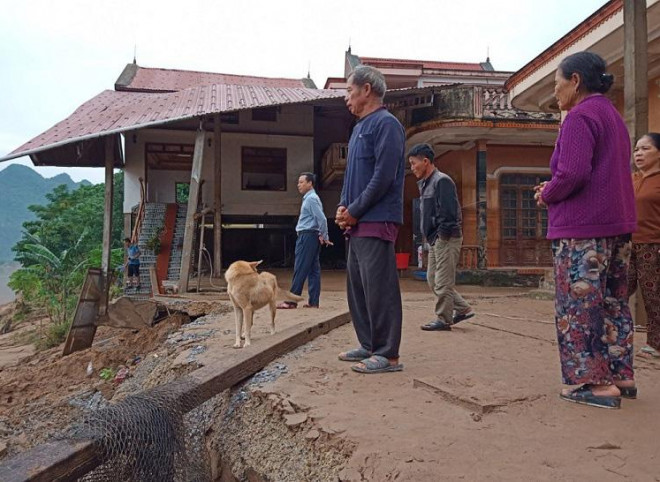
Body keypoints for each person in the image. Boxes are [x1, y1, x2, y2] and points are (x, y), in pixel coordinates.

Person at [534, 51, 636, 409]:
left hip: (582, 230)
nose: (556, 91)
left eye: (558, 83)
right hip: (616, 225)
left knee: (579, 305)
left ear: (575, 80)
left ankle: (591, 381)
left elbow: (574, 173)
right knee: (613, 302)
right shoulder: (613, 117)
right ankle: (621, 374)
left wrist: (548, 192)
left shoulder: (579, 116)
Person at [335, 65, 405, 374]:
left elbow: (383, 178)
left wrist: (355, 210)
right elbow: (353, 177)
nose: (347, 99)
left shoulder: (386, 125)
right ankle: (368, 344)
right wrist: (342, 207)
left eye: (350, 91)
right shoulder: (358, 128)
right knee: (358, 287)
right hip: (357, 221)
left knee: (379, 288)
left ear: (367, 89)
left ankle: (388, 353)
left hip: (376, 219)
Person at [408, 143, 475, 331]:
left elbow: (449, 213)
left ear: (426, 161)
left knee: (443, 282)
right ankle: (463, 308)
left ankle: (444, 319)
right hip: (435, 239)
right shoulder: (426, 183)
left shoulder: (441, 181)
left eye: (414, 163)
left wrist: (442, 237)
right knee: (432, 279)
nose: (412, 168)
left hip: (446, 238)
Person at [278, 172, 332, 310]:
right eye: (298, 182)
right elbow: (318, 220)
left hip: (307, 236)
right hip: (312, 236)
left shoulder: (311, 199)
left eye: (302, 182)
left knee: (300, 268)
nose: (298, 185)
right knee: (313, 270)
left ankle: (291, 301)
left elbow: (322, 219)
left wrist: (324, 236)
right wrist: (321, 234)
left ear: (310, 183)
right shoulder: (310, 198)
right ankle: (313, 302)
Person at [628, 133, 660, 358]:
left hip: (654, 245)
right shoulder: (632, 179)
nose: (638, 154)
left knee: (653, 296)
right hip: (627, 245)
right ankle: (614, 337)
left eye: (645, 149)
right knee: (618, 291)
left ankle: (656, 344)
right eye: (637, 149)